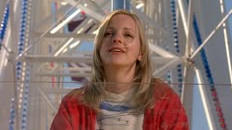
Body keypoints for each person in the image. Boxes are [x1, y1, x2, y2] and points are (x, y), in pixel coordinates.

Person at [50, 9, 189, 130]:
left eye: (128, 35)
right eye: (108, 34)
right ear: (98, 49)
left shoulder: (164, 99)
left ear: (141, 52)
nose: (117, 39)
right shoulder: (74, 104)